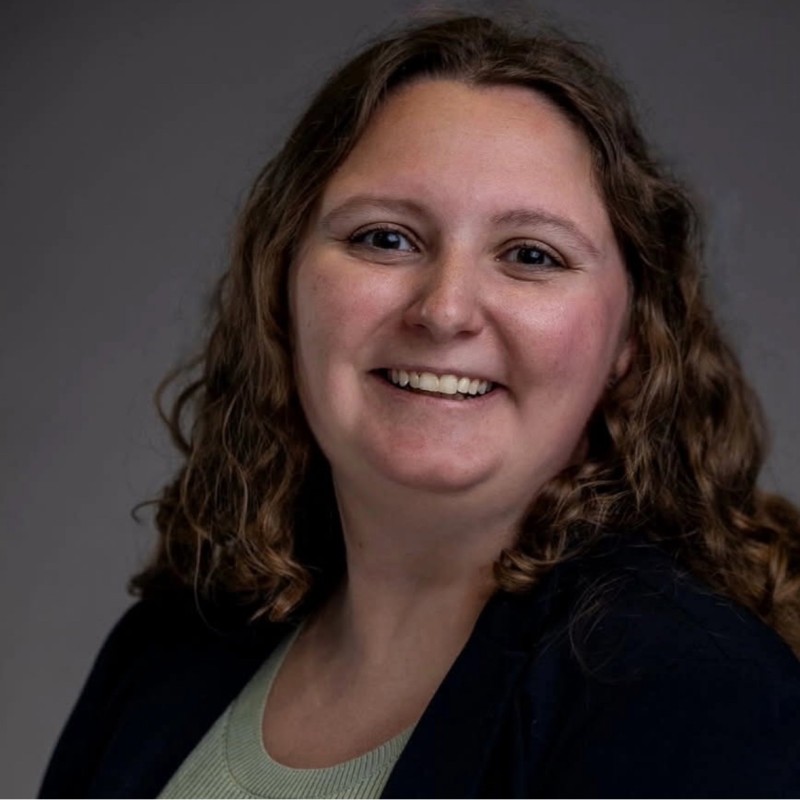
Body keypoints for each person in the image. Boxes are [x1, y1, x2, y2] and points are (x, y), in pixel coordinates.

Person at [40, 13, 800, 799]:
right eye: (385, 238)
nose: (444, 311)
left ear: (631, 342)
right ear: (282, 285)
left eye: (531, 255)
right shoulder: (169, 645)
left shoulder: (696, 695)